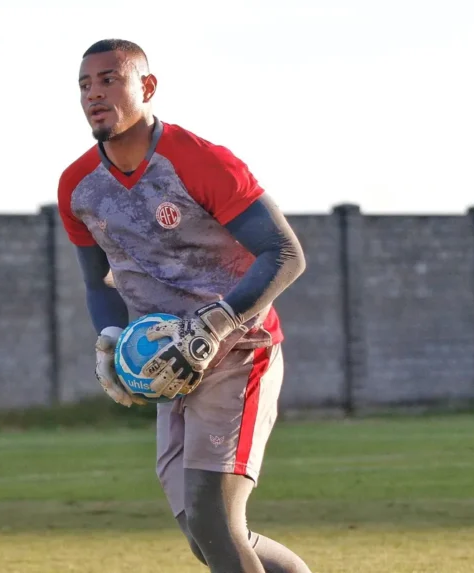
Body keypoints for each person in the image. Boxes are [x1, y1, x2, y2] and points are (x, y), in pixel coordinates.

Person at [57, 38, 312, 573]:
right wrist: (108, 338)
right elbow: (97, 282)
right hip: (169, 363)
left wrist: (216, 325)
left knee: (215, 523)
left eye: (109, 79)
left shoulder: (200, 160)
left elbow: (285, 253)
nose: (93, 95)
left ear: (146, 87)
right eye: (84, 85)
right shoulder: (78, 186)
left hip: (241, 349)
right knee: (206, 535)